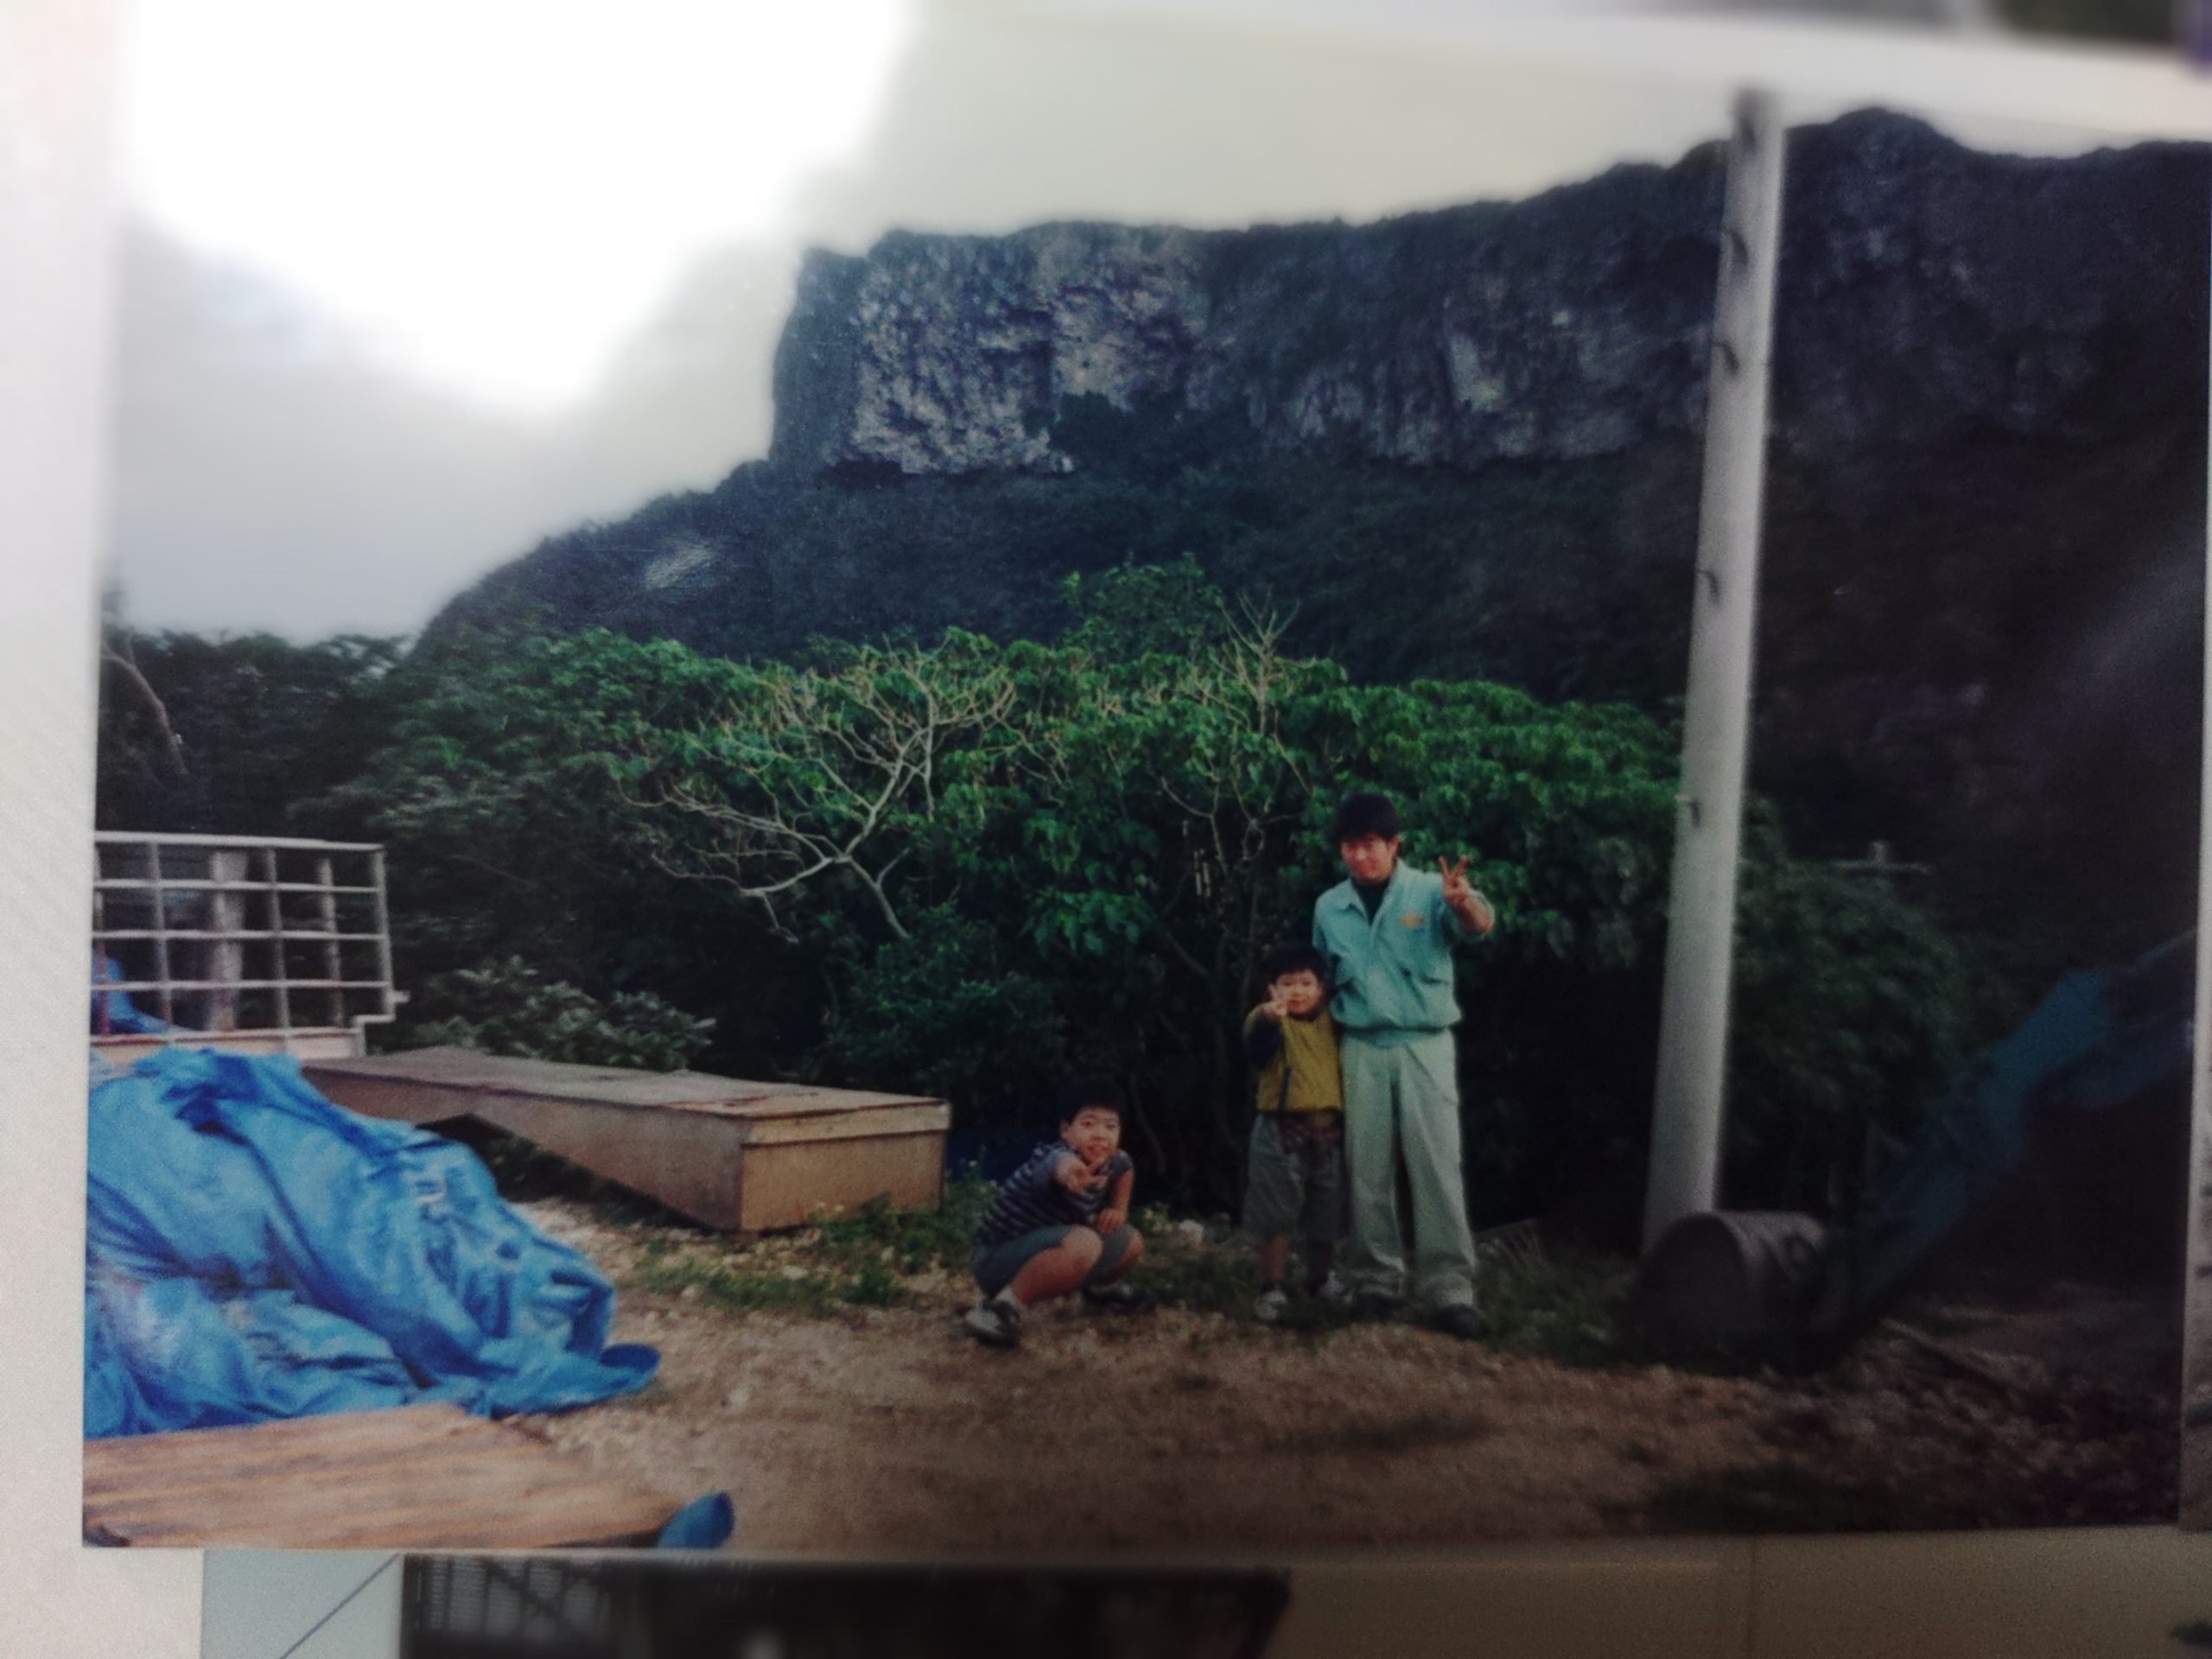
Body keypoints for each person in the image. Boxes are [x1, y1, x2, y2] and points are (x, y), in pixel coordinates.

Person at [1311, 791, 1496, 1340]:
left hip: (1424, 1043)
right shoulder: (1328, 907)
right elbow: (1320, 979)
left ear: (1394, 845)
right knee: (1367, 1169)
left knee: (1436, 1165)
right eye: (1350, 846)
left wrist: (1463, 903)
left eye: (1370, 845)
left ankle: (1450, 1290)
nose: (1359, 856)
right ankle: (1376, 1282)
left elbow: (1479, 925)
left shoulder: (1433, 890)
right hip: (1361, 1045)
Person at [964, 1076, 1151, 1349]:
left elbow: (1126, 1168)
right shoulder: (1052, 1155)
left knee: (1130, 1241)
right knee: (1085, 1243)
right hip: (996, 1259)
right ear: (1066, 1131)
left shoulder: (1114, 1160)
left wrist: (1118, 1208)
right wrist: (1071, 1174)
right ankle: (1000, 1308)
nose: (1100, 1134)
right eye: (1088, 1124)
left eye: (1110, 1126)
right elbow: (1058, 1165)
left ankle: (1101, 1291)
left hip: (1043, 1251)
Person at [1241, 941, 1347, 1324]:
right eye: (1287, 984)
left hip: (1327, 1131)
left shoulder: (1333, 1020)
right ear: (1273, 989)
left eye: (1306, 983)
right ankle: (1271, 1287)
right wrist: (1270, 1018)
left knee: (1326, 1210)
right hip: (1280, 1130)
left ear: (1320, 987)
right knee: (1277, 1212)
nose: (1297, 992)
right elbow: (1258, 1048)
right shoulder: (1266, 1018)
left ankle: (1320, 1279)